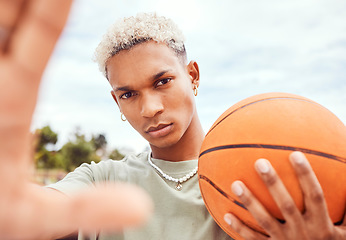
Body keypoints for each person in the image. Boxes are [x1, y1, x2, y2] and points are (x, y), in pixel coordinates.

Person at [0, 2, 345, 240]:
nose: (149, 108)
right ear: (116, 100)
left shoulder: (264, 172)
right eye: (128, 94)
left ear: (192, 75)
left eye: (162, 81)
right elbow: (34, 212)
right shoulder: (102, 178)